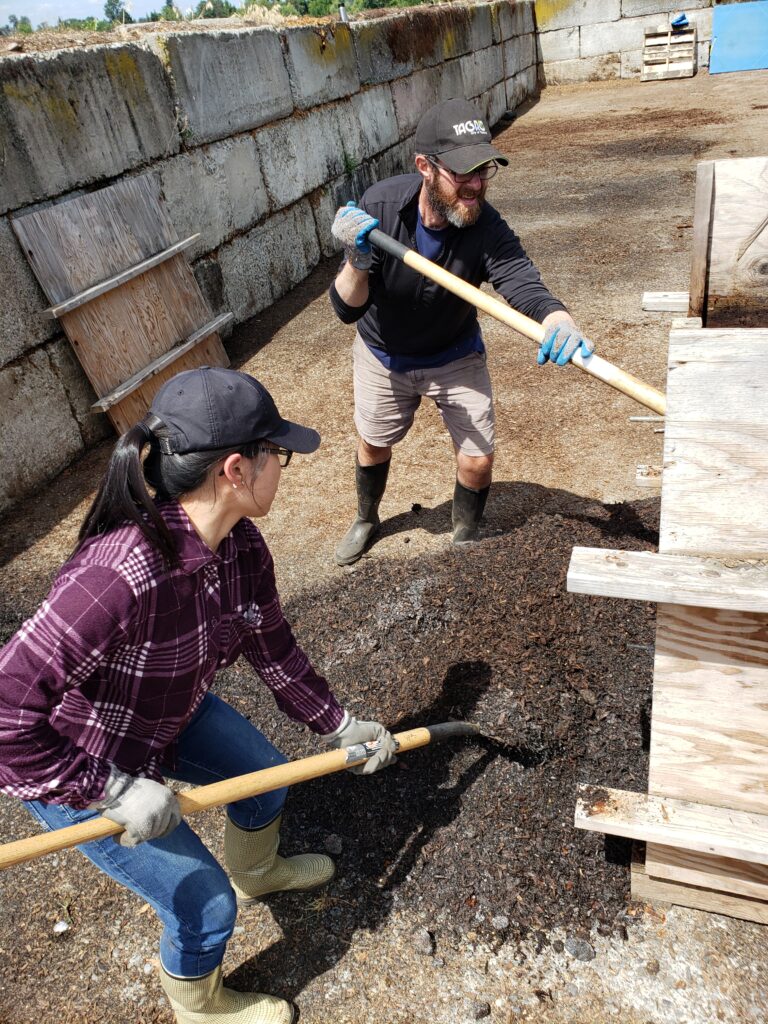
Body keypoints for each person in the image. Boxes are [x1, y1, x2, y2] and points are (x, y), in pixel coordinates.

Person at [0, 366, 397, 1024]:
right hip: (86, 759)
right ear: (237, 469)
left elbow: (272, 646)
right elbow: (7, 714)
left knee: (267, 781)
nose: (283, 466)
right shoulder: (118, 574)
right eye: (280, 454)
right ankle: (202, 1008)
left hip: (167, 715)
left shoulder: (240, 547)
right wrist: (113, 790)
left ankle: (257, 873)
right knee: (204, 906)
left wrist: (339, 725)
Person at [329, 97, 595, 565]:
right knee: (374, 443)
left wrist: (557, 317)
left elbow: (521, 281)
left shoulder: (486, 226)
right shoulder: (383, 207)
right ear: (424, 167)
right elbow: (345, 310)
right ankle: (366, 516)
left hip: (455, 353)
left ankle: (465, 539)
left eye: (484, 171)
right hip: (383, 353)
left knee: (477, 458)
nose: (475, 185)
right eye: (462, 173)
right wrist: (357, 262)